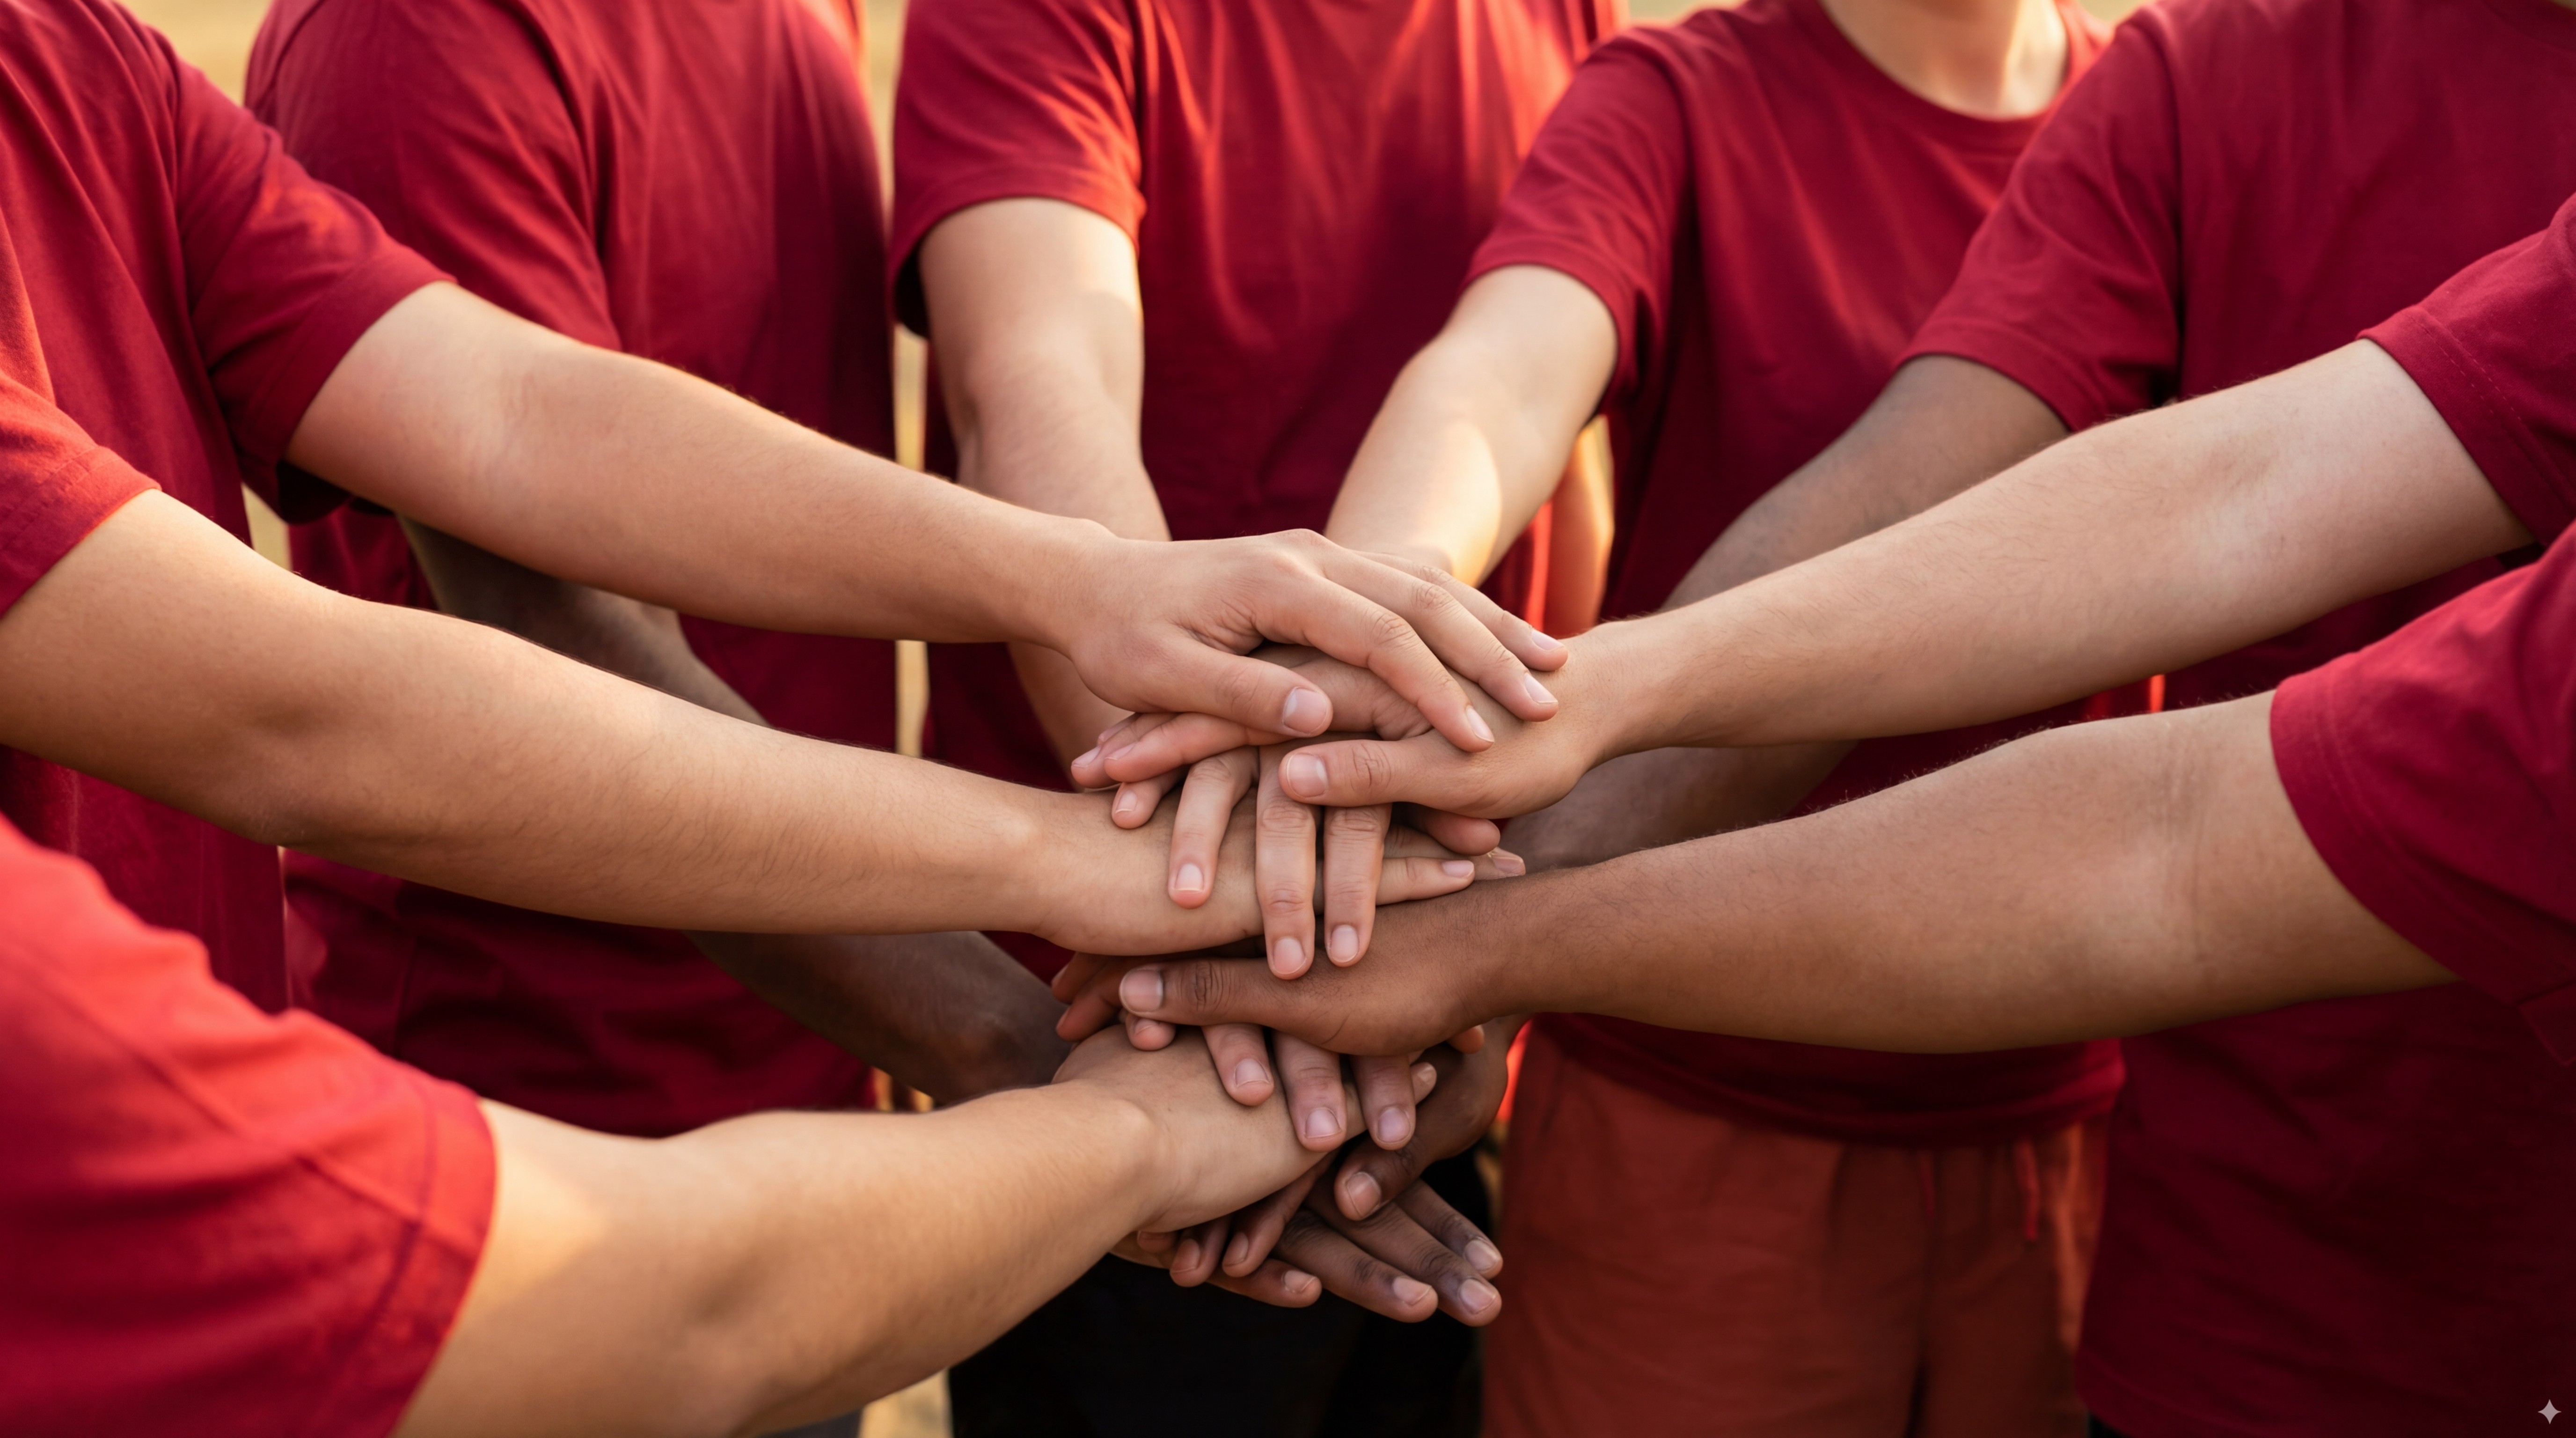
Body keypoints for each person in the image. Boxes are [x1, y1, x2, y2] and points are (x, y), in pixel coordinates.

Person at [1082, 184, 2576, 1430]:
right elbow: (2245, 492)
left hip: (2085, 1156)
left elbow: (2174, 843)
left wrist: (1466, 933)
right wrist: (1527, 694)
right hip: (1728, 1142)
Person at [0, 0, 1562, 1052]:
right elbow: (327, 709)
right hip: (532, 1086)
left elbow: (514, 410)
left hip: (776, 1048)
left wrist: (1084, 582)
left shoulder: (81, 60)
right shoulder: (415, 37)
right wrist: (1031, 989)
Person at [1264, 0, 2124, 1424]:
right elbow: (1506, 372)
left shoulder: (2146, 112)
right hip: (1691, 1108)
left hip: (2076, 1122)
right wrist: (1392, 598)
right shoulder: (1680, 96)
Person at [888, 0, 1618, 1427]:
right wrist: (1279, 945)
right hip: (1130, 1034)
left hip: (1431, 1019)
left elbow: (1557, 442)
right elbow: (1034, 383)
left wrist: (1490, 945)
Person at [0, 811, 1349, 1438]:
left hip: (810, 1149)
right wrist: (1143, 1123)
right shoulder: (46, 1016)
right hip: (531, 1119)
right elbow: (690, 1309)